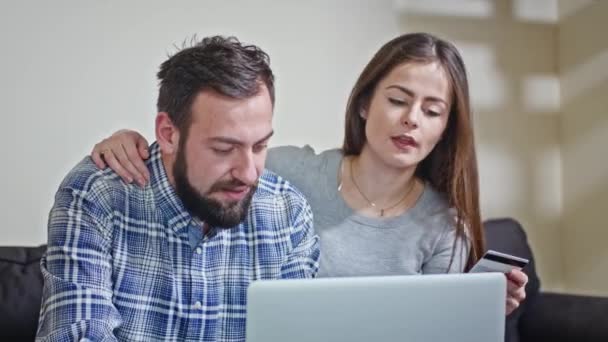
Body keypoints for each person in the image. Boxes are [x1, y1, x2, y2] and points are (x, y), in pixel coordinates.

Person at [90, 32, 528, 314]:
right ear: (363, 103)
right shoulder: (287, 171)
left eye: (432, 111)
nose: (412, 119)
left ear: (446, 128)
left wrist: (476, 309)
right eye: (398, 100)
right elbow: (201, 153)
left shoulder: (443, 227)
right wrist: (128, 144)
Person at [36, 36, 320, 341]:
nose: (249, 173)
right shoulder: (96, 196)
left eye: (260, 145)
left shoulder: (288, 213)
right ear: (169, 134)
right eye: (224, 148)